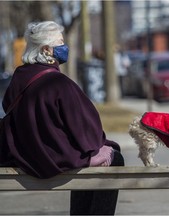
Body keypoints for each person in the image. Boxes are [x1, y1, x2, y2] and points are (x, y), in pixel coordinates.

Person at [0, 21, 124, 215]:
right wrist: (99, 144)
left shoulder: (18, 77)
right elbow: (85, 130)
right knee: (114, 158)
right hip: (53, 157)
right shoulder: (58, 83)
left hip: (22, 155)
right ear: (47, 49)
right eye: (60, 43)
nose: (64, 47)